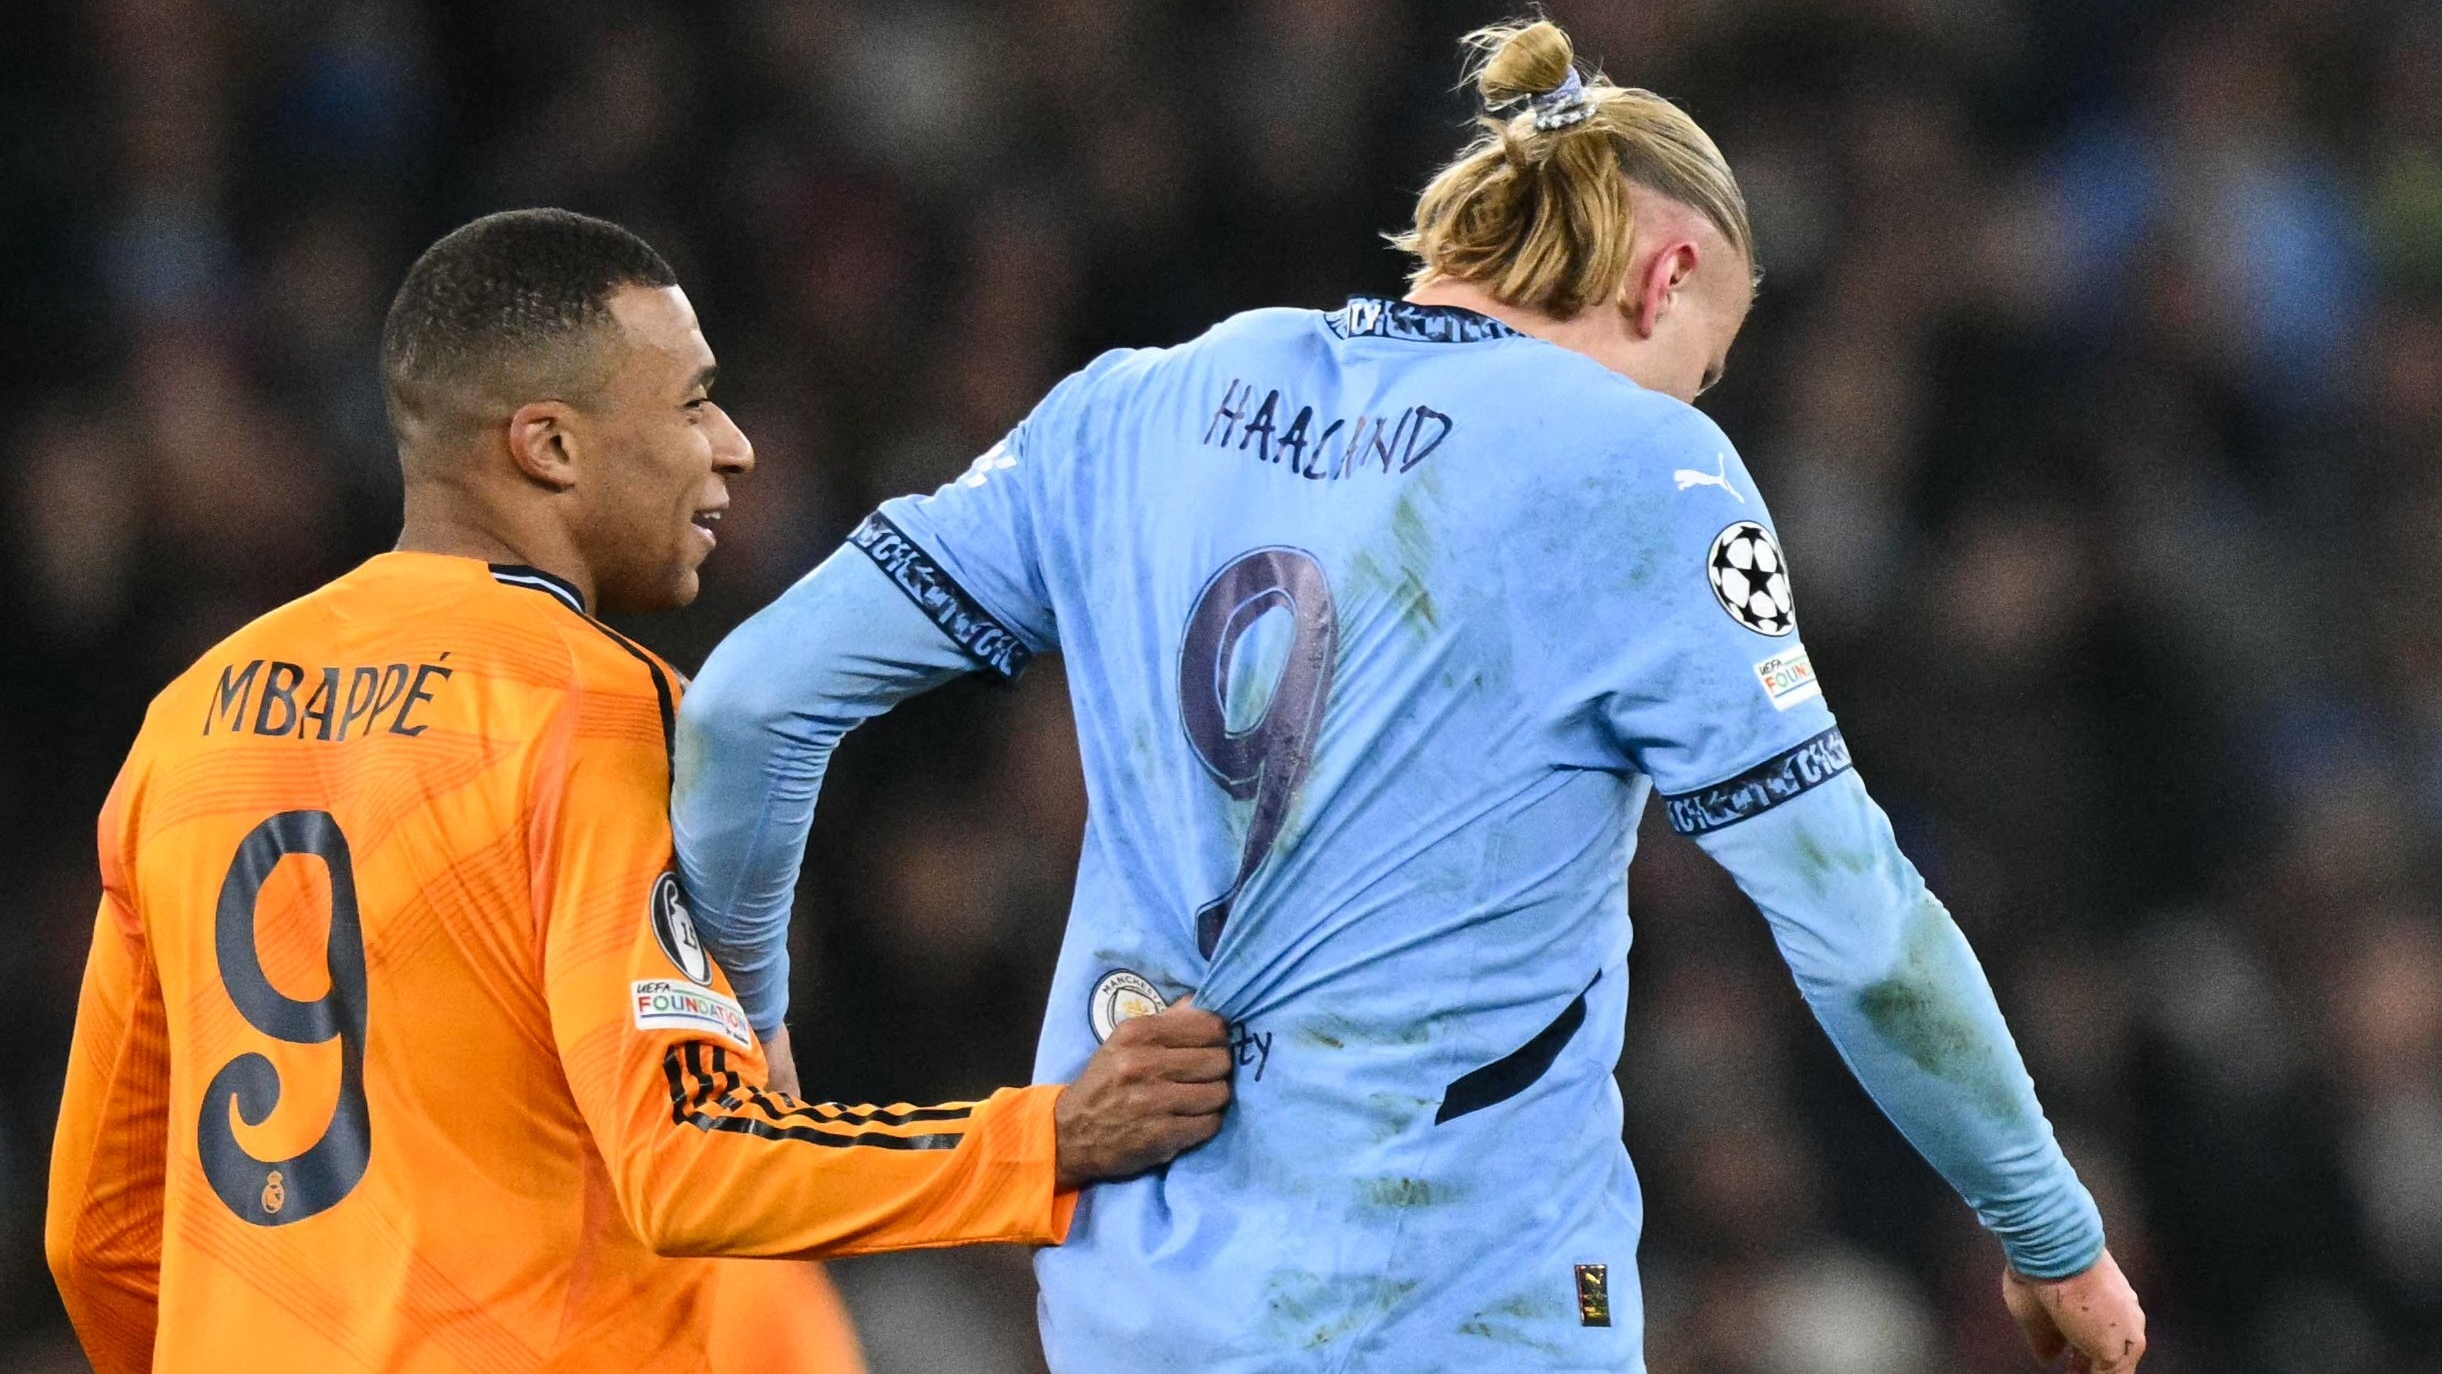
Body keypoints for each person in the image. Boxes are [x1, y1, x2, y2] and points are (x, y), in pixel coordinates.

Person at [671, 20, 2148, 1374]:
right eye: (1702, 369)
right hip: (1449, 1300)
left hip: (1130, 1308)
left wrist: (755, 1006)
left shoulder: (1135, 402)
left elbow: (749, 703)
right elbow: (1862, 931)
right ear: (1667, 276)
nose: (1692, 404)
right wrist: (2048, 1231)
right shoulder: (1643, 468)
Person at [45, 207, 1233, 1374]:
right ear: (549, 447)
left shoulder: (188, 721)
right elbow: (696, 1159)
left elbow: (97, 1237)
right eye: (691, 403)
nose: (734, 446)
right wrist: (1048, 1139)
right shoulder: (588, 707)